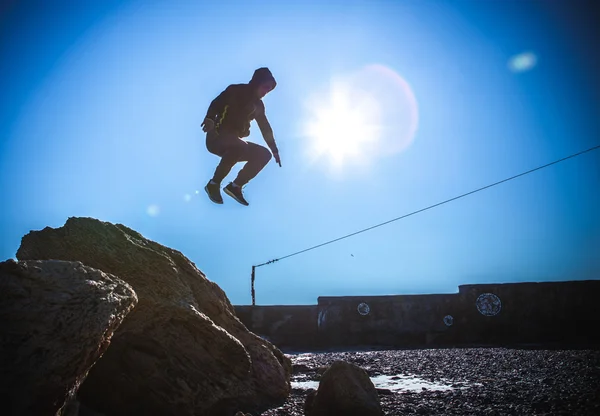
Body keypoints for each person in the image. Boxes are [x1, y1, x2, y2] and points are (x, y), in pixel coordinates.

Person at [202, 67, 282, 206]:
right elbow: (216, 103)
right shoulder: (236, 90)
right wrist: (209, 118)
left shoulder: (258, 105)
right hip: (216, 137)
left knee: (263, 154)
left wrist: (274, 149)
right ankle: (213, 184)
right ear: (257, 82)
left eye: (268, 90)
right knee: (239, 146)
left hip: (234, 142)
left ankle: (235, 186)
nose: (265, 92)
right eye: (265, 88)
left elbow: (265, 127)